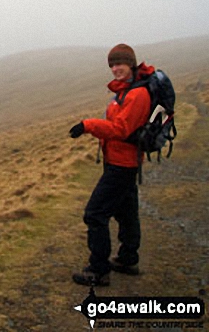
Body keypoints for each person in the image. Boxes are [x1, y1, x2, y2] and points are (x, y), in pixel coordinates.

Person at [69, 44, 154, 286]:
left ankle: (98, 270)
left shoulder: (137, 94)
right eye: (112, 65)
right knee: (126, 212)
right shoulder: (126, 91)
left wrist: (87, 125)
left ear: (131, 64)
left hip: (122, 164)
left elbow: (121, 129)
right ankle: (127, 259)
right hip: (120, 161)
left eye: (120, 63)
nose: (116, 68)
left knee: (95, 214)